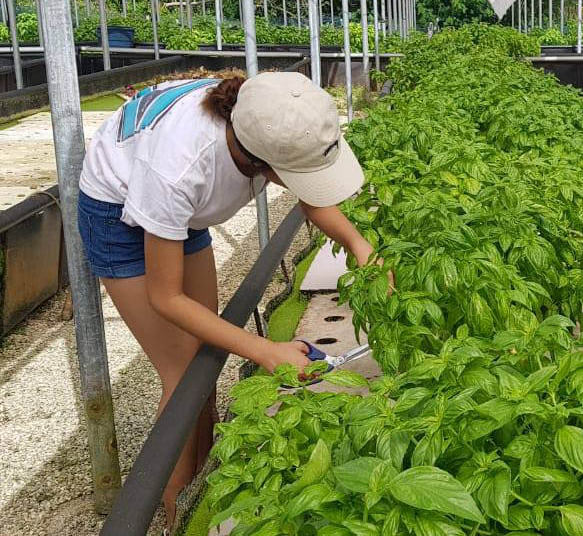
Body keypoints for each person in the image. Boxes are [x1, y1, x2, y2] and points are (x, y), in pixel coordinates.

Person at [77, 71, 373, 525]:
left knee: (207, 361)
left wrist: (360, 247)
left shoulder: (267, 117)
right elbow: (167, 298)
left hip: (183, 214)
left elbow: (309, 191)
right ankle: (176, 509)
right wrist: (263, 349)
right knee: (181, 374)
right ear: (261, 164)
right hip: (117, 211)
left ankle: (207, 475)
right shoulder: (180, 168)